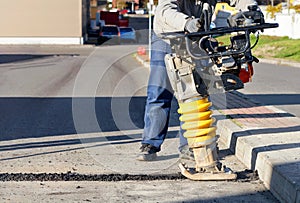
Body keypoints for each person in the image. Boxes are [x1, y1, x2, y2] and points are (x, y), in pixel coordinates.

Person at [137, 0, 258, 161]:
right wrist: (187, 23)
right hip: (166, 37)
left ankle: (190, 145)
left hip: (196, 38)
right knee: (159, 91)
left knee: (194, 92)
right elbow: (165, 10)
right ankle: (150, 143)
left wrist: (252, 9)